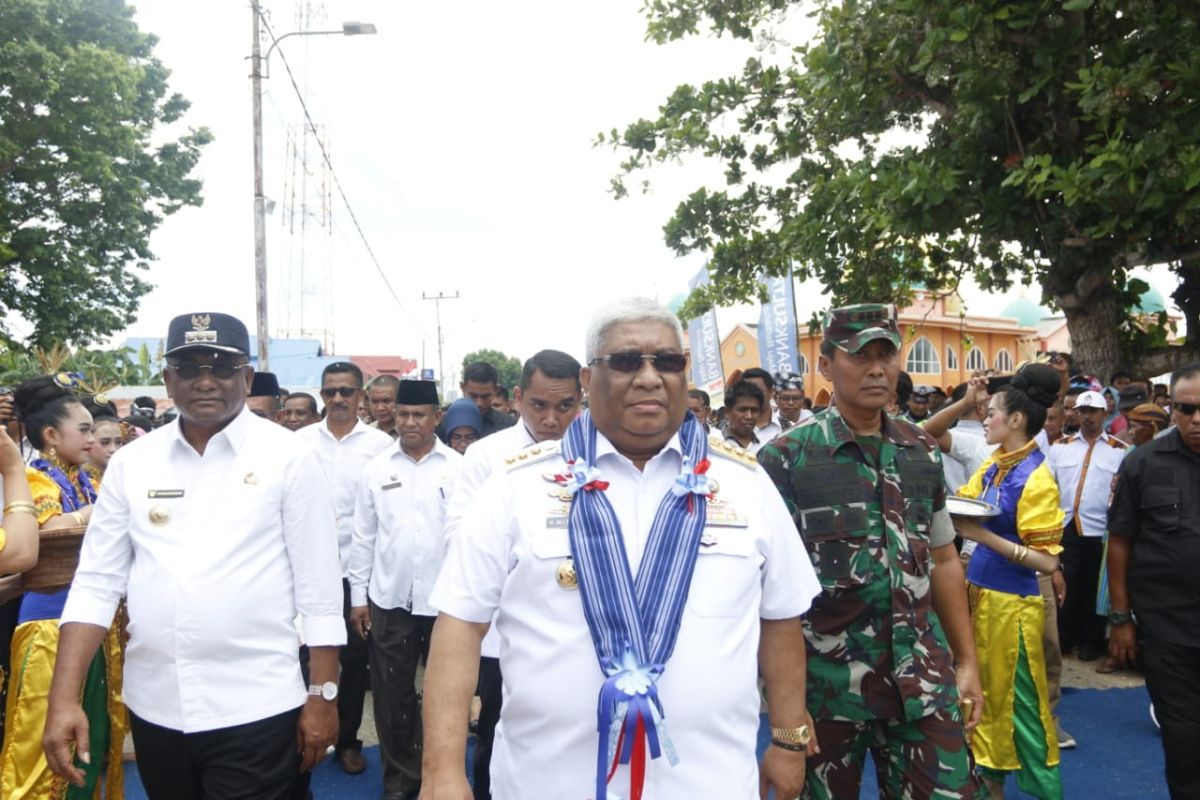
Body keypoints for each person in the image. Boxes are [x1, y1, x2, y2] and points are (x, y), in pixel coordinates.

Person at [423, 298, 819, 799]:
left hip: (706, 780)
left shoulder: (745, 483)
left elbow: (780, 616)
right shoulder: (516, 485)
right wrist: (441, 771)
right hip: (549, 781)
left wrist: (787, 737)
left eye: (667, 362)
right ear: (589, 379)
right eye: (628, 361)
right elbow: (460, 623)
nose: (650, 377)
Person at [44, 312, 346, 799]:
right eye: (188, 368)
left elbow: (320, 589)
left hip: (257, 706)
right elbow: (96, 584)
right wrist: (63, 698)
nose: (205, 381)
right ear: (168, 380)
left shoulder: (288, 456)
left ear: (246, 378)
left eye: (221, 367)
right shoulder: (131, 464)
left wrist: (323, 694)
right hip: (157, 707)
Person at [757, 304, 984, 800]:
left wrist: (966, 663)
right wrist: (784, 712)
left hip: (920, 683)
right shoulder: (784, 459)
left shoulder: (921, 450)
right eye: (861, 356)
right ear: (827, 364)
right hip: (827, 691)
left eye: (887, 355)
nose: (877, 369)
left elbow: (944, 560)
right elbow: (768, 594)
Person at [443, 349, 583, 800]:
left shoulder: (599, 451)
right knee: (499, 731)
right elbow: (459, 538)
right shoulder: (488, 457)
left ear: (582, 402)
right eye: (539, 405)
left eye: (565, 406)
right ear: (519, 398)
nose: (551, 419)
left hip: (578, 625)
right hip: (503, 628)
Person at [0, 375, 124, 799]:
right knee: (38, 747)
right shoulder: (34, 479)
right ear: (51, 436)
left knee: (88, 740)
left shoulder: (84, 480)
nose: (94, 440)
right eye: (85, 430)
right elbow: (46, 531)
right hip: (49, 625)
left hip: (88, 624)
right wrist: (97, 511)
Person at [953, 364, 1065, 799]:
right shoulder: (998, 465)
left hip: (1010, 607)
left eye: (992, 411)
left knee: (1015, 705)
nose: (986, 418)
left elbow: (1047, 562)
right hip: (979, 596)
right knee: (980, 697)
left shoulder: (1035, 476)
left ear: (1016, 420)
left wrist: (982, 536)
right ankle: (985, 788)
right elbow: (963, 500)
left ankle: (1036, 788)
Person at [350, 380, 461, 800]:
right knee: (392, 695)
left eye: (419, 415)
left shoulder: (458, 468)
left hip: (445, 602)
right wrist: (359, 598)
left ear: (437, 417)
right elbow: (364, 538)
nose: (410, 422)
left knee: (444, 697)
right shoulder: (377, 468)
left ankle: (440, 777)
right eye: (402, 415)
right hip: (390, 599)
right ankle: (400, 782)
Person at [1106, 362, 1200, 800]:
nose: (1197, 418)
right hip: (1168, 630)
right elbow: (1120, 542)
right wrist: (1120, 618)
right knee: (1182, 743)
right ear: (1172, 409)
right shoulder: (1143, 463)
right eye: (1187, 408)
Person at [297, 361, 392, 776]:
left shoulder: (380, 446)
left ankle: (349, 740)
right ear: (322, 395)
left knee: (354, 663)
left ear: (361, 397)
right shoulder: (298, 444)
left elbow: (381, 517)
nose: (337, 399)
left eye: (346, 392)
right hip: (304, 572)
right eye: (330, 391)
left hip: (357, 576)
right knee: (302, 657)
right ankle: (299, 737)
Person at [1047, 389, 1128, 662]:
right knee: (1067, 582)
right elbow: (1049, 487)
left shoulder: (1119, 451)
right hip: (1065, 524)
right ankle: (1065, 638)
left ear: (1105, 414)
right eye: (1082, 411)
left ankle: (1091, 640)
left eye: (1093, 411)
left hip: (1099, 528)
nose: (1087, 417)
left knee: (1094, 585)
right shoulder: (1060, 447)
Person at [457, 363, 516, 439]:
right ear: (462, 387)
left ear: (496, 390)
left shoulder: (510, 426)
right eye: (473, 396)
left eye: (485, 397)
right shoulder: (444, 421)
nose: (479, 403)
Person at [740, 367, 784, 445]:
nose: (752, 395)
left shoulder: (790, 428)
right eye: (746, 391)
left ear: (771, 392)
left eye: (757, 391)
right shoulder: (729, 433)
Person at [721, 379, 764, 450]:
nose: (749, 416)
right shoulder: (713, 443)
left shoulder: (768, 441)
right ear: (727, 412)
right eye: (742, 410)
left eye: (754, 410)